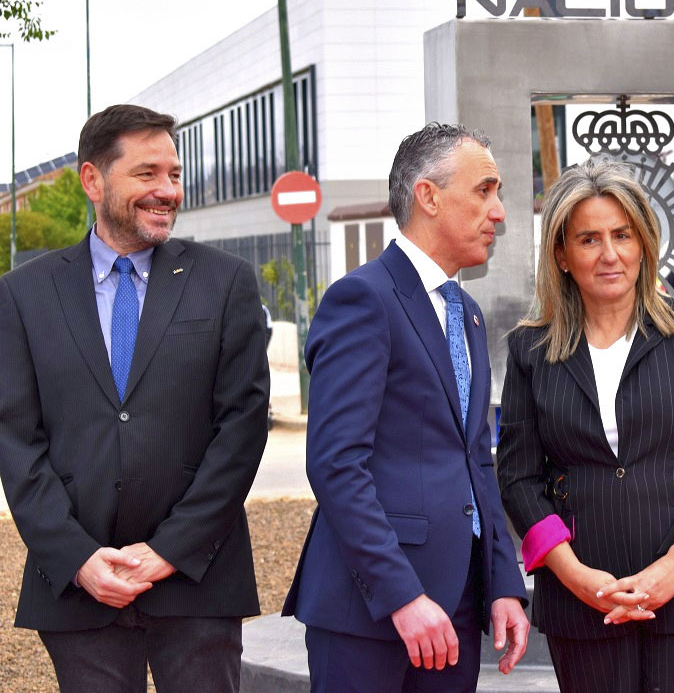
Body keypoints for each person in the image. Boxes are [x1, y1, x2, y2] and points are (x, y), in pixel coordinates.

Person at [0, 104, 270, 692]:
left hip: (199, 578)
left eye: (174, 174)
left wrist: (170, 549)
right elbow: (17, 442)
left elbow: (243, 429)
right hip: (80, 589)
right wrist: (76, 558)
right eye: (147, 174)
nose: (167, 190)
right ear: (93, 180)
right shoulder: (24, 296)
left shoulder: (225, 283)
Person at [282, 123, 529, 691]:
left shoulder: (463, 312)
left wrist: (503, 583)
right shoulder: (362, 299)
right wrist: (402, 596)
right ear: (429, 195)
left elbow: (476, 462)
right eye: (485, 190)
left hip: (457, 609)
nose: (499, 212)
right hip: (371, 615)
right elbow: (337, 465)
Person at [497, 158, 674, 693]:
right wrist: (576, 577)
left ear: (645, 244)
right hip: (585, 603)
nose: (610, 254)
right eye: (588, 239)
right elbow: (519, 477)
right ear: (562, 255)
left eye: (623, 235)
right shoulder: (530, 349)